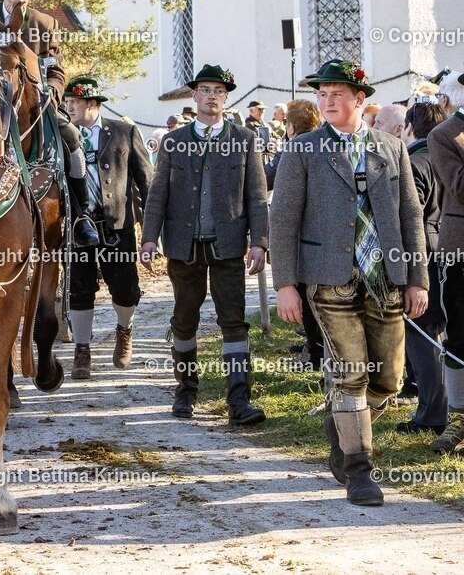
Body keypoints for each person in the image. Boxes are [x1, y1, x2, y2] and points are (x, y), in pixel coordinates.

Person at [272, 59, 428, 506]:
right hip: (328, 280)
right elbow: (282, 219)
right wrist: (286, 285)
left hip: (387, 279)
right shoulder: (303, 149)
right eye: (322, 94)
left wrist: (417, 279)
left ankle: (342, 427)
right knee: (351, 374)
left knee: (389, 381)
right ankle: (359, 470)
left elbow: (410, 215)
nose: (327, 101)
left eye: (337, 94)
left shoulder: (390, 147)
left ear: (360, 99)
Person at [140, 63, 269, 426]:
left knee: (234, 321)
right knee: (184, 319)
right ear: (194, 95)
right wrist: (149, 238)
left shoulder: (245, 139)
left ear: (226, 99)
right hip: (184, 246)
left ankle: (239, 400)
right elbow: (158, 194)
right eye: (206, 90)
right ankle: (185, 390)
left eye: (219, 91)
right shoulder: (174, 141)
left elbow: (257, 196)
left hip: (228, 245)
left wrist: (259, 242)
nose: (212, 97)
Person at [0, 0, 99, 247]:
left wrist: (50, 92)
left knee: (72, 137)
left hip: (34, 101)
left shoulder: (45, 23)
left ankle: (80, 216)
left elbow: (57, 70)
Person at [63, 76, 153, 379]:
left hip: (118, 225)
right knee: (79, 289)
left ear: (92, 104)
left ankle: (124, 329)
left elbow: (147, 181)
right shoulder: (62, 135)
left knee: (126, 289)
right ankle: (82, 349)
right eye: (67, 102)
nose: (68, 107)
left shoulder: (124, 132)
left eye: (74, 102)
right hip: (78, 224)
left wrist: (152, 230)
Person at [396, 101, 448, 435]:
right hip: (448, 251)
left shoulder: (415, 163)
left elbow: (410, 218)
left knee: (423, 334)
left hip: (424, 256)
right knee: (440, 332)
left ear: (410, 128)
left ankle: (432, 416)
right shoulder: (446, 156)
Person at [264, 100, 325, 371]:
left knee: (308, 298)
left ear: (290, 125)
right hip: (322, 234)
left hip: (301, 233)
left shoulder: (294, 148)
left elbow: (267, 178)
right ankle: (317, 350)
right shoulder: (324, 143)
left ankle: (316, 353)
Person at [428, 72, 464, 453]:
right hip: (460, 247)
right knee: (459, 334)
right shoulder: (445, 135)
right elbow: (461, 187)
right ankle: (458, 418)